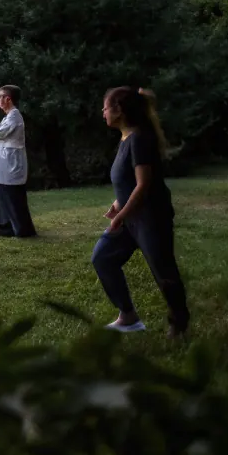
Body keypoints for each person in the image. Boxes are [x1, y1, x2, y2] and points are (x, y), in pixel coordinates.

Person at [91, 87, 189, 337]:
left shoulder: (139, 139)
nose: (103, 112)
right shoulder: (126, 138)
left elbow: (144, 184)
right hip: (129, 215)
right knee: (103, 258)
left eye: (105, 107)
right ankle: (129, 316)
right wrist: (117, 204)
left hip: (150, 217)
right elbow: (129, 181)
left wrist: (122, 214)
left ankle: (179, 322)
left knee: (163, 271)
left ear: (119, 110)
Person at [0, 84, 37, 238]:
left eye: (0, 97)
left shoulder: (14, 117)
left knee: (13, 197)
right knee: (2, 195)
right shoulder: (8, 117)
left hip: (11, 165)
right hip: (3, 164)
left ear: (8, 99)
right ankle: (3, 228)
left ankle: (22, 230)